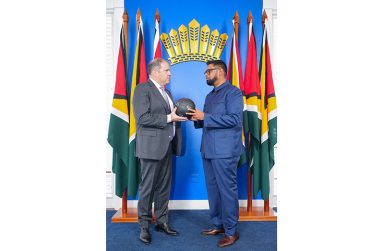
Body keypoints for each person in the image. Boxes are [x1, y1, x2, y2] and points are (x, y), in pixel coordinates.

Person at [187, 60, 244, 248]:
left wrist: (206, 117)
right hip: (208, 150)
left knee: (227, 191)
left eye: (208, 71)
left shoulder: (233, 92)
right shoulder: (210, 96)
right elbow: (209, 121)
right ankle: (218, 225)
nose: (205, 74)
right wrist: (196, 118)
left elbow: (235, 120)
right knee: (213, 191)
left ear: (220, 71)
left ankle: (231, 231)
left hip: (225, 151)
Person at [133, 58, 187, 245]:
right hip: (150, 149)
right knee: (148, 189)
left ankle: (162, 222)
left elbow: (170, 117)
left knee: (164, 187)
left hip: (166, 147)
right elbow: (142, 118)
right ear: (155, 72)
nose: (170, 73)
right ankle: (144, 226)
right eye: (166, 70)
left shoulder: (167, 92)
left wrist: (177, 117)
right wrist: (169, 117)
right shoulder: (142, 89)